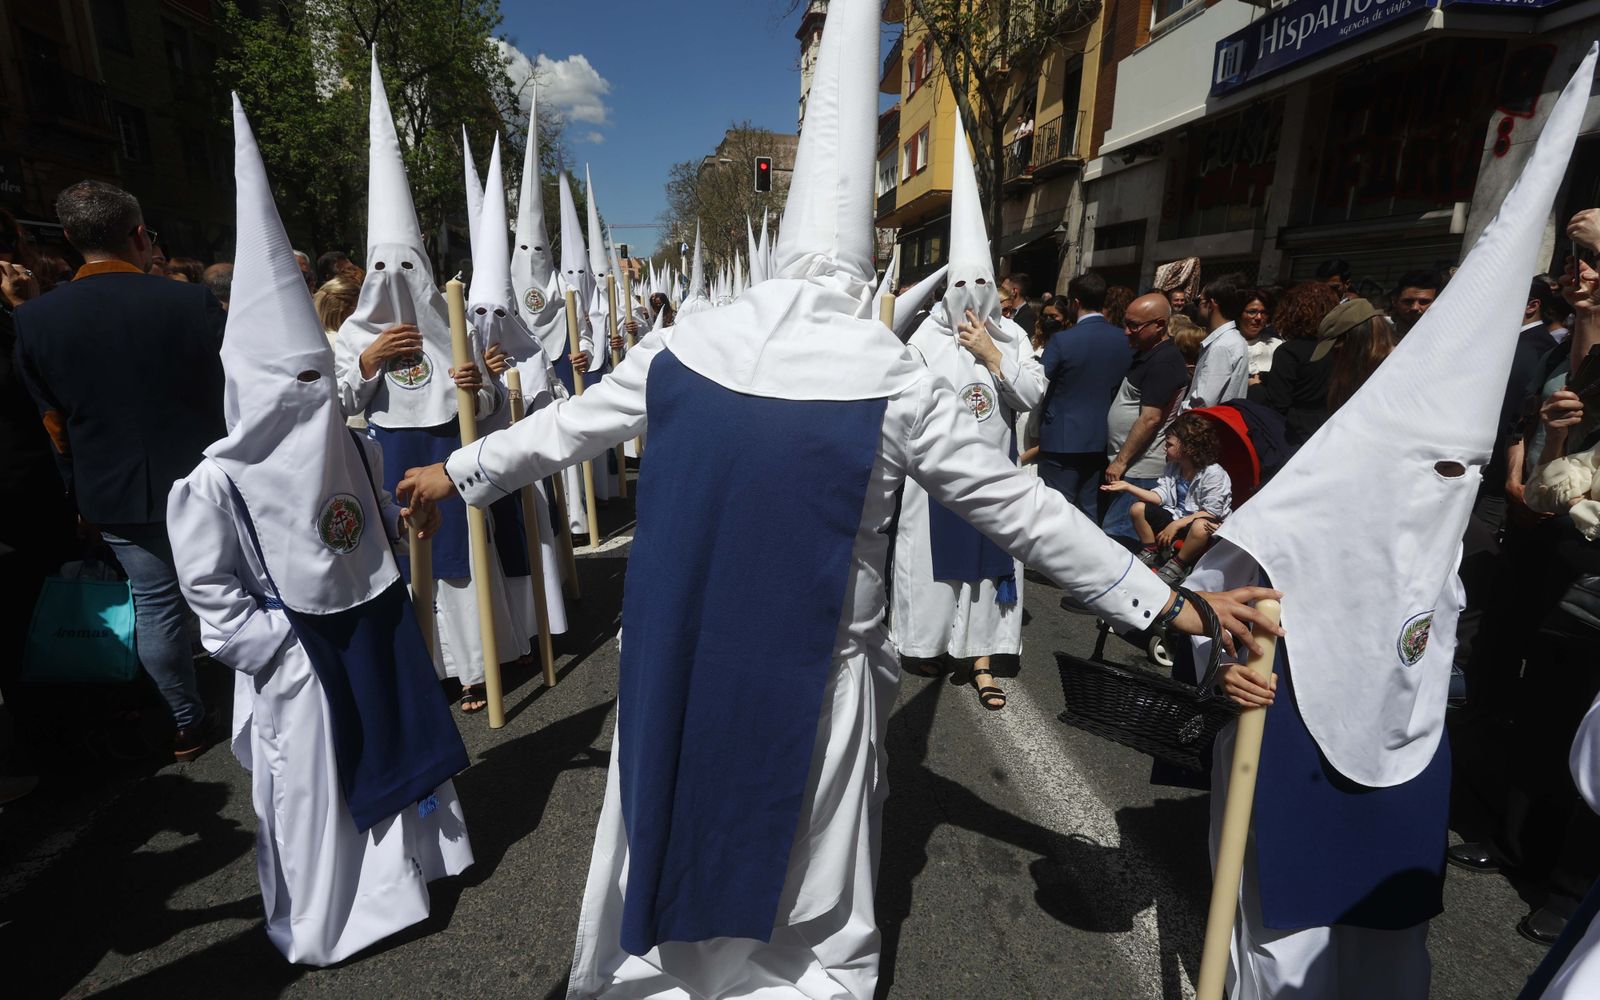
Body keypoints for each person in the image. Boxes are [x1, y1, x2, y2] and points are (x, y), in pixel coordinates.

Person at [397, 3, 1278, 994]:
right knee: (811, 868)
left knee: (679, 809)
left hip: (683, 659)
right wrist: (1172, 603)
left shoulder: (683, 344)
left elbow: (561, 430)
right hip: (822, 674)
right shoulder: (888, 374)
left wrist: (453, 472)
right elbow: (1021, 510)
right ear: (864, 269)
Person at [1192, 47, 1594, 999]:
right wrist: (1226, 655)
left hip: (1405, 758)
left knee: (1389, 945)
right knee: (1286, 943)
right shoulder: (1306, 507)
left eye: (1466, 472)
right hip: (1293, 748)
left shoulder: (1444, 531)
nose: (1453, 487)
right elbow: (1210, 608)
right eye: (1439, 469)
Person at [167, 99, 473, 965]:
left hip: (373, 623)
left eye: (318, 378)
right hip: (298, 656)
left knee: (399, 742)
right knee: (315, 786)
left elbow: (371, 522)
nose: (310, 398)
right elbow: (213, 599)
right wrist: (283, 646)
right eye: (292, 383)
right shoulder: (213, 483)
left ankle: (409, 877)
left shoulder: (353, 445)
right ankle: (330, 917)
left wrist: (404, 529)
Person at [333, 54, 524, 714]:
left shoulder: (453, 321)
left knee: (461, 562)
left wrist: (478, 384)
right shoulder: (354, 334)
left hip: (448, 453)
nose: (395, 278)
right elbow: (335, 403)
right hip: (389, 458)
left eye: (406, 266)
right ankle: (423, 671)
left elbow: (491, 406)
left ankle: (474, 669)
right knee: (402, 563)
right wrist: (368, 360)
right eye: (382, 267)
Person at [13, 179, 224, 760]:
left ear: (70, 238)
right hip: (206, 478)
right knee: (233, 587)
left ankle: (186, 720)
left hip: (112, 487)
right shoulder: (188, 302)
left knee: (155, 605)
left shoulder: (35, 319)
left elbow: (52, 421)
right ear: (138, 235)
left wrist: (76, 489)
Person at [889, 113, 1043, 712]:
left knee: (988, 570)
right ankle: (928, 644)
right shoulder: (924, 339)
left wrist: (991, 354)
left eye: (982, 283)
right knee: (930, 569)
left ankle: (981, 659)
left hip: (994, 472)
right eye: (960, 284)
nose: (971, 295)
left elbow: (1031, 396)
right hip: (933, 478)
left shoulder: (1013, 337)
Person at [1036, 271, 1130, 516]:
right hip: (1103, 438)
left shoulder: (1062, 341)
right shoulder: (1124, 339)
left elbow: (1037, 383)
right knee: (1090, 511)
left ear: (1075, 303)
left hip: (1061, 439)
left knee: (1055, 511)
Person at [1102, 412, 1231, 584]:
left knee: (1200, 526)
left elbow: (1211, 512)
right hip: (1176, 517)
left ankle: (1178, 565)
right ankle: (1151, 551)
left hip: (1199, 523)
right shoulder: (1174, 467)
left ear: (1189, 448)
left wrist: (1176, 525)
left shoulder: (1213, 473)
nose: (1165, 448)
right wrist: (1128, 487)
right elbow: (1160, 495)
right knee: (1138, 508)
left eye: (1169, 445)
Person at [1103, 292, 1190, 541]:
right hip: (1131, 465)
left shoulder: (1164, 362)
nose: (1126, 332)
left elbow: (1150, 419)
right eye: (1126, 323)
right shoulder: (1149, 354)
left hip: (1141, 468)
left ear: (1159, 325)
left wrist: (1120, 462)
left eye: (1134, 326)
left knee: (1118, 535)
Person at [1260, 282, 1344, 447]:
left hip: (1296, 434)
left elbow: (1279, 404)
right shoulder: (1341, 348)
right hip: (1332, 429)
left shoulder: (1288, 352)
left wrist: (1257, 388)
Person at [1184, 272, 1250, 411]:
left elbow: (1202, 403)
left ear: (1212, 304)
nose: (1196, 307)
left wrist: (1177, 413)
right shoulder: (1233, 340)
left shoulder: (1222, 346)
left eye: (1198, 301)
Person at [1240, 288, 1280, 385]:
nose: (1259, 317)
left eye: (1263, 313)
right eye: (1252, 312)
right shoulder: (1228, 344)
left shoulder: (1276, 344)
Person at [1392, 269, 1442, 338]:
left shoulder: (1449, 338)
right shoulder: (1379, 337)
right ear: (1395, 301)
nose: (1415, 307)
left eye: (1424, 302)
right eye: (1408, 301)